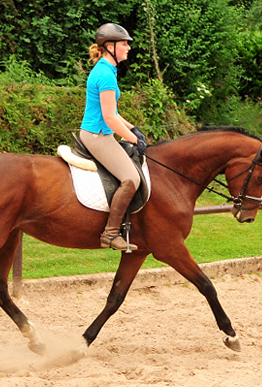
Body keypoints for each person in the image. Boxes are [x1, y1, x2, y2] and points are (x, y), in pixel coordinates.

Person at [79, 23, 147, 251]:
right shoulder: (105, 75)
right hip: (98, 136)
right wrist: (134, 139)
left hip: (101, 132)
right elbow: (109, 118)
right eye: (124, 44)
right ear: (110, 46)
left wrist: (133, 129)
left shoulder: (107, 70)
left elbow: (114, 113)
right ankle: (110, 234)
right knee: (131, 179)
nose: (128, 47)